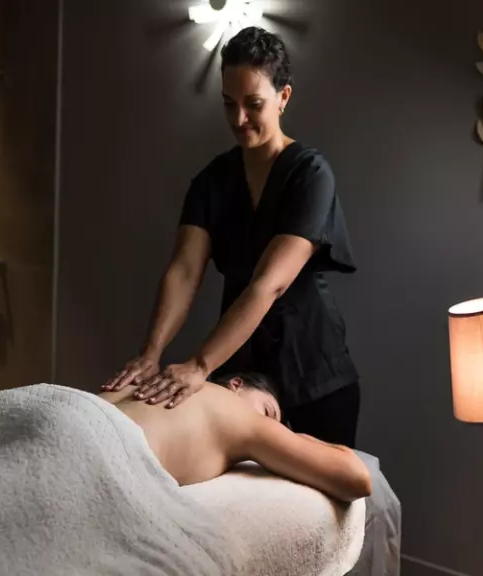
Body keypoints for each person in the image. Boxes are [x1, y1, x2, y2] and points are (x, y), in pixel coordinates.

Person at [105, 26, 361, 447]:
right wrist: (151, 353)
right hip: (242, 371)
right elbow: (184, 272)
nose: (238, 119)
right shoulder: (212, 182)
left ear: (283, 97)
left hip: (314, 374)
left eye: (253, 104)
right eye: (229, 104)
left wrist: (200, 365)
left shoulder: (310, 174)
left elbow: (269, 283)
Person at [99, 372, 371, 502]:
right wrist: (297, 437)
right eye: (268, 412)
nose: (271, 427)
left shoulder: (153, 381)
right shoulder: (239, 414)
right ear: (236, 384)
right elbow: (357, 479)